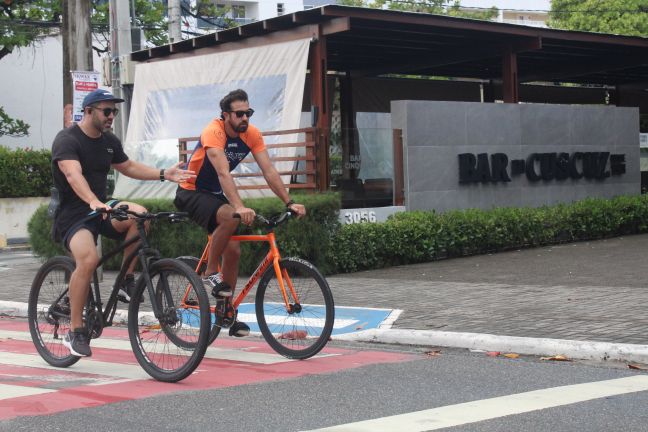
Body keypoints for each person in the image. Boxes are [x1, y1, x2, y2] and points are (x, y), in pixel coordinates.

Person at [51, 88, 195, 357]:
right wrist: (92, 201)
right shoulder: (67, 139)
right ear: (90, 111)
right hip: (74, 214)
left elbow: (128, 167)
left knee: (140, 216)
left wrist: (164, 173)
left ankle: (127, 281)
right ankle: (75, 331)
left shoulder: (109, 141)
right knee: (89, 260)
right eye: (107, 111)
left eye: (114, 111)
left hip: (102, 208)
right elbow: (73, 175)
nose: (111, 116)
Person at [174, 89, 306, 337]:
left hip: (213, 194)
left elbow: (269, 171)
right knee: (231, 216)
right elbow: (223, 173)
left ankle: (225, 310)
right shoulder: (214, 131)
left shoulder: (252, 134)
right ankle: (211, 272)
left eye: (248, 113)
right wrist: (239, 207)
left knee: (233, 250)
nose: (245, 118)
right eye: (239, 114)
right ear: (225, 115)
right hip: (191, 191)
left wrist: (289, 202)